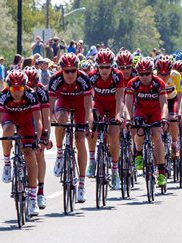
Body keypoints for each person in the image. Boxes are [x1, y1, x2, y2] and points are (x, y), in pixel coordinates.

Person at [0, 69, 43, 216]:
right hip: (10, 118)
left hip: (27, 121)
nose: (17, 92)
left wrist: (37, 139)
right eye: (13, 88)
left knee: (30, 155)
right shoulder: (3, 96)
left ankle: (33, 198)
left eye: (20, 88)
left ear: (25, 86)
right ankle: (7, 163)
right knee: (8, 129)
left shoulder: (31, 95)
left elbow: (38, 120)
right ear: (9, 87)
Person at [48, 52, 93, 202]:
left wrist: (89, 125)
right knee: (60, 118)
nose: (70, 74)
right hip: (63, 101)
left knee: (80, 140)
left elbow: (89, 108)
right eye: (66, 71)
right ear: (61, 70)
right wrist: (50, 122)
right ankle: (60, 152)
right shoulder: (56, 79)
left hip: (80, 105)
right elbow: (49, 107)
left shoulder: (84, 79)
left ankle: (81, 185)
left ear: (77, 69)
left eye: (73, 70)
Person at [125, 57, 168, 186]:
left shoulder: (158, 83)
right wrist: (128, 119)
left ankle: (161, 172)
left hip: (155, 112)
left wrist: (164, 118)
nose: (144, 77)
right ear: (137, 73)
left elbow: (164, 104)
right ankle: (138, 153)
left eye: (147, 74)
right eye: (141, 74)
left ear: (152, 72)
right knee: (140, 130)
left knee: (156, 136)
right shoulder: (133, 83)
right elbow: (127, 105)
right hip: (141, 110)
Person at [87, 48, 125, 190]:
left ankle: (115, 171)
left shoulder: (118, 76)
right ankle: (92, 161)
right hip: (99, 105)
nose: (104, 70)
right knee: (91, 125)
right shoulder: (91, 76)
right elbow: (88, 99)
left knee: (113, 134)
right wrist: (88, 117)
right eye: (101, 67)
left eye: (107, 67)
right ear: (97, 66)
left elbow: (120, 98)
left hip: (114, 106)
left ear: (112, 66)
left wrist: (118, 116)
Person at [23, 66, 52, 210]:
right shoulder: (18, 90)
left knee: (39, 153)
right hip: (22, 119)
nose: (31, 89)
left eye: (33, 85)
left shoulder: (41, 91)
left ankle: (40, 191)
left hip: (37, 120)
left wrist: (46, 136)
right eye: (28, 86)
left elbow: (46, 116)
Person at [155, 55, 182, 158]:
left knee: (173, 120)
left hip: (172, 100)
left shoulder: (176, 75)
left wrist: (179, 112)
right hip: (158, 101)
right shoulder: (153, 76)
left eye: (166, 74)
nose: (164, 77)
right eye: (161, 74)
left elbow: (180, 96)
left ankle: (174, 145)